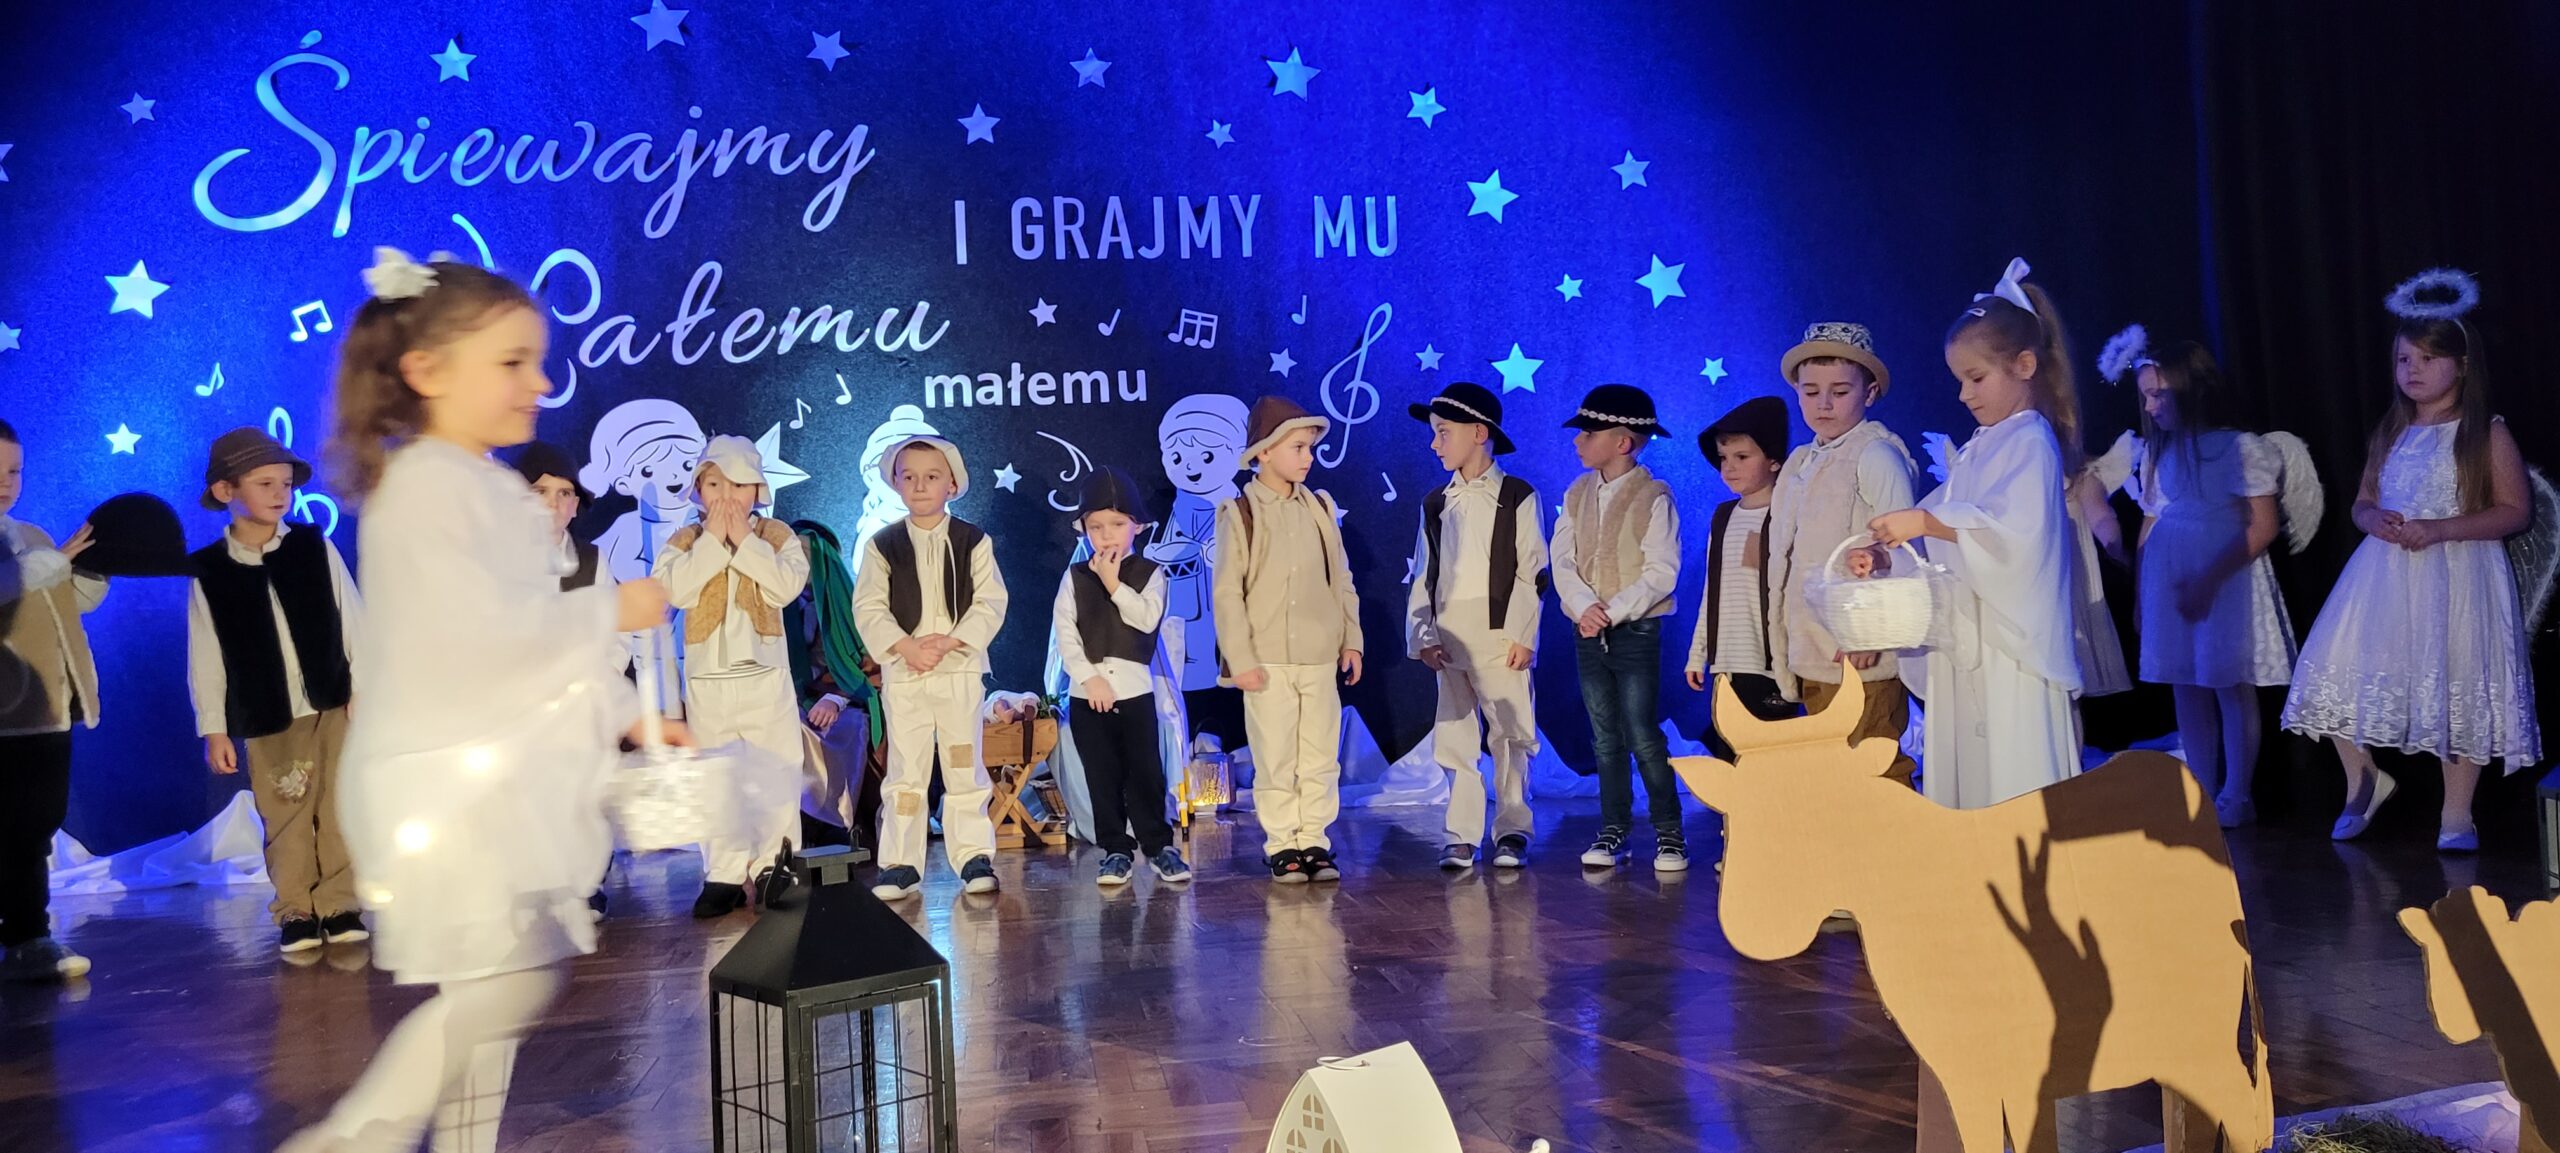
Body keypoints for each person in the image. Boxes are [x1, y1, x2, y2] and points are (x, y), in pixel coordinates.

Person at [283, 248, 683, 1152]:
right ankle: (356, 1137)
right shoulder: (423, 491)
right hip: (446, 789)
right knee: (501, 986)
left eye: (538, 361)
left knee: (498, 991)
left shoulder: (489, 490)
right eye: (512, 362)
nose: (539, 382)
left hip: (485, 777)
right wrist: (611, 608)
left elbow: (537, 636)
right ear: (427, 370)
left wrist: (631, 714)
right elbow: (480, 639)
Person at [2282, 270, 2539, 851]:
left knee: (2457, 680)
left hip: (2459, 575)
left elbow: (2514, 511)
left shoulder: (2483, 433)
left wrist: (2441, 529)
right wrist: (2372, 519)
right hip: (2385, 576)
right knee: (2331, 670)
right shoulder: (2391, 429)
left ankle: (2457, 813)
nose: (2413, 369)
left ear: (2462, 366)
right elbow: (2363, 501)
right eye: (2404, 359)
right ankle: (2364, 781)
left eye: (2428, 358)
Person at [1865, 258, 2083, 809]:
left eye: (1976, 378)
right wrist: (1890, 551)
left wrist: (1922, 524)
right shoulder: (1984, 445)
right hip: (1971, 638)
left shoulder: (2030, 442)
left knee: (2011, 773)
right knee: (1973, 769)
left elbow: (2016, 536)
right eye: (1960, 380)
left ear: (2025, 365)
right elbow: (1942, 518)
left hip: (2006, 648)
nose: (1964, 395)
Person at [188, 426, 367, 955]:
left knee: (341, 806)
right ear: (226, 490)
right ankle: (295, 909)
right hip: (268, 714)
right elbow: (206, 654)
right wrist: (214, 727)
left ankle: (340, 904)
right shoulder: (211, 571)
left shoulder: (313, 547)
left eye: (285, 484)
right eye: (264, 484)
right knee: (285, 812)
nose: (279, 494)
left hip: (332, 702)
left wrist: (363, 686)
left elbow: (352, 619)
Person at [2126, 340, 2300, 828]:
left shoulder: (2239, 448)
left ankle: (2237, 793)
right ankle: (2200, 788)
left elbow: (2262, 526)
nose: (2150, 406)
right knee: (2185, 682)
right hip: (2174, 582)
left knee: (2227, 682)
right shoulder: (2159, 453)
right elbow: (2151, 523)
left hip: (2226, 582)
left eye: (2158, 394)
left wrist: (2209, 580)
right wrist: (2141, 595)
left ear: (2191, 388)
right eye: (2145, 396)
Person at [656, 434, 811, 917]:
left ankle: (774, 866)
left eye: (739, 485)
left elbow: (784, 586)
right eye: (715, 485)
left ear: (758, 490)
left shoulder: (776, 536)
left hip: (764, 674)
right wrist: (712, 543)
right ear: (698, 490)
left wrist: (744, 540)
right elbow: (676, 592)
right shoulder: (684, 541)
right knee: (715, 776)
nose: (727, 497)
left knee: (776, 769)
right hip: (708, 678)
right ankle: (722, 872)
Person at [1759, 323, 1919, 783]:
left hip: (1859, 653)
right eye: (1811, 392)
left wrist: (1870, 631)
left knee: (1873, 764)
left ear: (1869, 393)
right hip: (1814, 648)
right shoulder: (1800, 462)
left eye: (1840, 391)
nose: (1823, 404)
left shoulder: (1875, 456)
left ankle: (1892, 833)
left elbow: (1903, 549)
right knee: (1832, 773)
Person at [1214, 396, 1362, 883]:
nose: (1308, 457)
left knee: (1319, 755)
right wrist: (1241, 658)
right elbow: (1227, 593)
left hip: (1318, 655)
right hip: (1267, 659)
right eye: (1297, 447)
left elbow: (1341, 579)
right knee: (1275, 756)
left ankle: (1314, 838)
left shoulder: (1319, 507)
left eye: (1310, 448)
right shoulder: (1240, 512)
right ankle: (1282, 842)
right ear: (1264, 452)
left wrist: (1351, 639)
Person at [852, 435, 1007, 900]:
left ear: (952, 484)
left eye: (932, 476)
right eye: (910, 477)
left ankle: (973, 855)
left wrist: (953, 641)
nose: (920, 486)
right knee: (906, 767)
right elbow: (869, 607)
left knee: (962, 762)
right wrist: (905, 646)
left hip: (958, 669)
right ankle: (900, 861)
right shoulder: (882, 545)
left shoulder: (973, 540)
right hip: (907, 673)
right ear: (896, 483)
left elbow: (990, 601)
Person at [1404, 382, 1547, 871]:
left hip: (1500, 638)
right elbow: (1425, 573)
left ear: (1479, 433)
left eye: (1443, 433)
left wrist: (1523, 634)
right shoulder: (1435, 503)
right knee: (1455, 738)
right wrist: (1424, 635)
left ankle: (1512, 828)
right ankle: (1461, 834)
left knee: (1509, 734)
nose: (1435, 444)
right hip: (1450, 638)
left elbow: (1532, 570)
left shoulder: (1517, 495)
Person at [1552, 384, 1686, 872]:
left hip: (1634, 632)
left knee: (1642, 733)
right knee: (1604, 736)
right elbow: (1563, 560)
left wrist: (1612, 611)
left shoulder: (1653, 496)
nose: (1578, 441)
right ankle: (1614, 829)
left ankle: (1670, 833)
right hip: (1588, 631)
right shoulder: (1576, 494)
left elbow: (1661, 570)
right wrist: (1584, 608)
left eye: (1589, 433)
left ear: (1623, 442)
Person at [0, 420, 103, 982]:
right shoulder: (34, 553)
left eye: (14, 471)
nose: (6, 482)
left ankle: (29, 937)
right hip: (5, 713)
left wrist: (89, 572)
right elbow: (25, 582)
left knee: (35, 826)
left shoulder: (33, 536)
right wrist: (42, 569)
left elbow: (60, 600)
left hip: (45, 712)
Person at [1054, 466, 1192, 887]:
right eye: (1096, 527)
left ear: (1138, 526)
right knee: (1102, 776)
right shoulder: (1074, 577)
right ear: (1084, 530)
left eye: (1116, 524)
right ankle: (1115, 849)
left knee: (1144, 772)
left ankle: (1159, 846)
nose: (1106, 535)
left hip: (1134, 693)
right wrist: (1089, 678)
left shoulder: (1150, 573)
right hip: (1087, 695)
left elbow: (1146, 619)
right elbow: (1065, 634)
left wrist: (1114, 584)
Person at [1683, 396, 1796, 756]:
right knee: (1730, 755)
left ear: (1774, 460)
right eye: (1723, 458)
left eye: (1742, 457)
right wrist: (1698, 653)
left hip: (1771, 664)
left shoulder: (1788, 514)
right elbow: (1712, 591)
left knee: (1770, 757)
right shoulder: (1723, 516)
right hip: (1727, 663)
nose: (1729, 467)